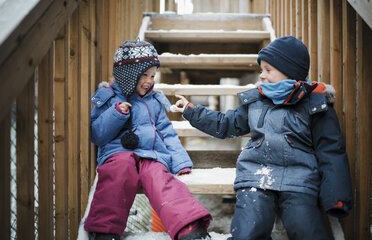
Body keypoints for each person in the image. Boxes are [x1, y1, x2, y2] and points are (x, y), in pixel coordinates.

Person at [174, 36, 353, 240]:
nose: (262, 76)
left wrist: (336, 197)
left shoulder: (315, 105)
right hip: (256, 176)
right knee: (248, 230)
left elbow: (330, 151)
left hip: (298, 179)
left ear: (290, 71)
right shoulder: (256, 100)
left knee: (306, 228)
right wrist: (192, 111)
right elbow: (225, 124)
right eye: (261, 70)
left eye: (268, 70)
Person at [84, 40, 212, 240]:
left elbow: (167, 132)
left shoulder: (154, 101)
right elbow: (98, 134)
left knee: (160, 178)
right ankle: (105, 231)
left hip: (151, 155)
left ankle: (188, 226)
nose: (149, 81)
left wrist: (180, 162)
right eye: (144, 75)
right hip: (118, 154)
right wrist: (117, 114)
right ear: (127, 75)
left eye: (153, 75)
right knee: (117, 172)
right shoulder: (108, 98)